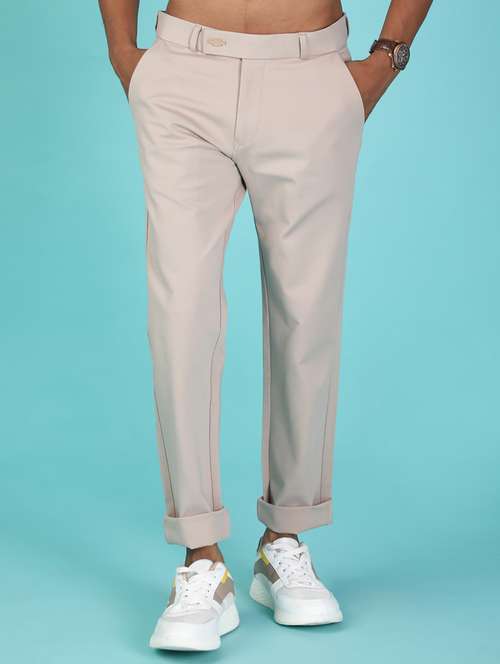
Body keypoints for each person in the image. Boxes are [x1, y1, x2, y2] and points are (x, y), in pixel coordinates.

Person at [98, 0, 432, 651]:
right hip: (185, 70)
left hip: (309, 75)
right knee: (180, 315)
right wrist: (122, 53)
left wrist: (386, 60)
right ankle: (200, 557)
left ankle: (285, 539)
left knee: (307, 313)